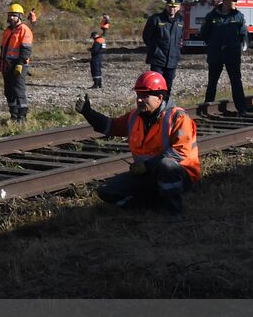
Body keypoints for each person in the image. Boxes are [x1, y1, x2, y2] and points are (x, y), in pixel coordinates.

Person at [75, 71, 200, 215]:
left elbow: (179, 153)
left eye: (144, 96)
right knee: (106, 190)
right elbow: (111, 126)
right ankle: (152, 204)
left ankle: (173, 210)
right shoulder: (134, 116)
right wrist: (89, 113)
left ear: (160, 98)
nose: (139, 100)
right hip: (147, 174)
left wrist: (147, 166)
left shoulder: (178, 117)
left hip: (179, 175)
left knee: (167, 166)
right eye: (138, 95)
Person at [199, 0, 250, 114]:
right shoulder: (211, 16)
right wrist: (213, 45)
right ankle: (207, 107)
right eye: (233, 1)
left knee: (236, 81)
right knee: (212, 82)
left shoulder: (239, 16)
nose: (235, 3)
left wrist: (235, 46)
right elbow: (204, 33)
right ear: (225, 1)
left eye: (236, 1)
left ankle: (242, 108)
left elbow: (243, 35)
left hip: (232, 54)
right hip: (215, 54)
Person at [0, 3, 33, 124]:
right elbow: (3, 49)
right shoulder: (8, 31)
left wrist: (20, 63)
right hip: (7, 65)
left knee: (19, 91)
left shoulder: (24, 30)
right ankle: (14, 116)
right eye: (10, 15)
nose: (11, 18)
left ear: (20, 16)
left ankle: (22, 118)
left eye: (14, 15)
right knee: (9, 92)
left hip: (18, 64)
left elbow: (26, 49)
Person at [142, 0, 184, 90]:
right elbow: (146, 37)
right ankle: (157, 104)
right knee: (156, 86)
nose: (172, 9)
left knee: (168, 86)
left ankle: (166, 103)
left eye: (174, 7)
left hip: (172, 60)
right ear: (166, 6)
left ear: (179, 7)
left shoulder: (181, 21)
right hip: (158, 60)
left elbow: (179, 38)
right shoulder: (156, 19)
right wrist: (155, 50)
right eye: (170, 6)